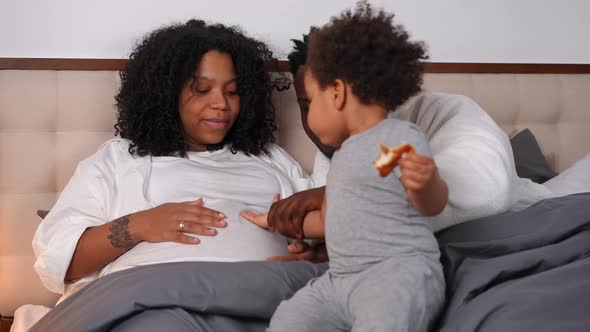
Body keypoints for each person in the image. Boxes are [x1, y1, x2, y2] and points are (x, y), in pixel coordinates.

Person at [27, 19, 325, 328]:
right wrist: (139, 225)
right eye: (202, 89)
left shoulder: (271, 160)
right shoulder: (118, 159)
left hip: (273, 300)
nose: (221, 104)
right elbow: (59, 262)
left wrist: (308, 252)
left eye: (233, 92)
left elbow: (336, 229)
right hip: (158, 304)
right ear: (167, 92)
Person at [259, 16, 556, 263]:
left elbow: (488, 186)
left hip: (527, 228)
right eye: (307, 105)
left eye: (340, 98)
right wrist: (324, 252)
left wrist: (338, 195)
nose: (320, 116)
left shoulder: (450, 113)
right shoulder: (329, 154)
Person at [244, 3, 447, 331]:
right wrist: (272, 220)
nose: (307, 116)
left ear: (336, 93)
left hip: (395, 273)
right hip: (341, 279)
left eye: (310, 101)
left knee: (385, 321)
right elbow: (329, 217)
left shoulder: (393, 142)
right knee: (290, 318)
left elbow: (431, 205)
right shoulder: (342, 158)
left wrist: (425, 184)